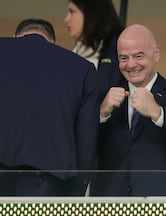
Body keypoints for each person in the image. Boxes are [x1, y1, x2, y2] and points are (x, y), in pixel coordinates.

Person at [91, 24, 166, 196]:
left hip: (162, 206)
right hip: (111, 206)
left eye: (138, 56)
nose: (131, 64)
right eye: (123, 58)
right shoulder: (105, 98)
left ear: (156, 54)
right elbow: (85, 149)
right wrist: (102, 113)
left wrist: (158, 113)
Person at [0, 20, 99, 196]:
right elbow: (86, 137)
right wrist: (77, 191)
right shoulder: (81, 68)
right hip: (49, 178)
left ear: (14, 37)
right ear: (54, 43)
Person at [64, 0, 124, 102]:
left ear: (90, 13)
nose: (66, 19)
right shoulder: (72, 54)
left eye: (72, 12)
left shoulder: (119, 51)